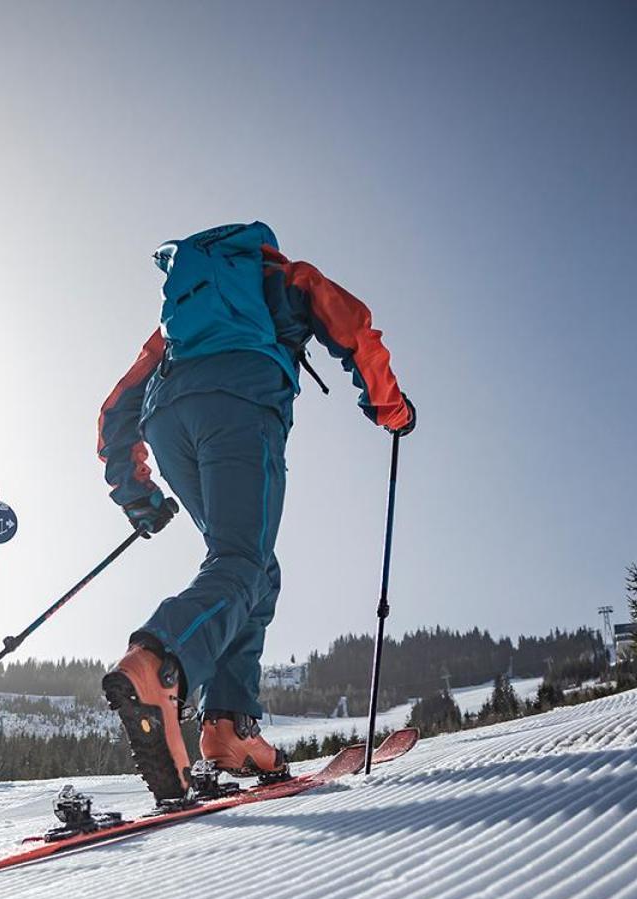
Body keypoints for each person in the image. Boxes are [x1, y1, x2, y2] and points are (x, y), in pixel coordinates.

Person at [95, 221, 414, 803]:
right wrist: (390, 407)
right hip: (240, 408)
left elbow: (117, 407)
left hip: (169, 422)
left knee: (255, 571)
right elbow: (355, 329)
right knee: (242, 560)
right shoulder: (283, 278)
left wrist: (136, 493)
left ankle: (228, 726)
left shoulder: (181, 320)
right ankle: (162, 663)